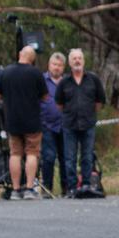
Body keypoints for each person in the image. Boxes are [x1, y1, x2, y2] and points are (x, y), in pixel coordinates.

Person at [0, 46, 47, 200]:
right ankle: (29, 188)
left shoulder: (6, 72)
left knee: (15, 154)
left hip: (12, 120)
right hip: (32, 120)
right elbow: (44, 97)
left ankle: (16, 190)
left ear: (19, 55)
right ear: (32, 59)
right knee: (32, 153)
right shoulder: (35, 73)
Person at [55, 48, 106, 196]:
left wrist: (88, 113)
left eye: (79, 58)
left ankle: (86, 184)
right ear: (69, 63)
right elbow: (59, 103)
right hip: (69, 124)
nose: (77, 61)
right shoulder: (64, 82)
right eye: (74, 59)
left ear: (83, 61)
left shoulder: (93, 79)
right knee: (69, 157)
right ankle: (71, 187)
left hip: (88, 123)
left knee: (87, 156)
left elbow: (99, 101)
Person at [40, 52, 68, 194]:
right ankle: (47, 189)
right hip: (47, 126)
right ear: (49, 65)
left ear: (63, 67)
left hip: (65, 126)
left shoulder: (67, 82)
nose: (56, 68)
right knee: (49, 157)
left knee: (65, 158)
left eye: (59, 65)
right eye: (54, 64)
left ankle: (67, 188)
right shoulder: (41, 80)